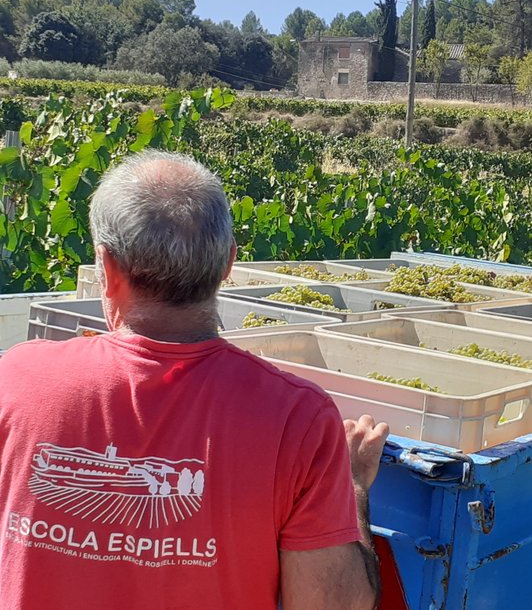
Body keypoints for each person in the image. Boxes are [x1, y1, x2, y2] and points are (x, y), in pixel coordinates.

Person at [0, 150, 387, 609]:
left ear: (106, 268)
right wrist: (353, 485)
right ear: (228, 264)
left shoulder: (15, 379)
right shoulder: (296, 418)